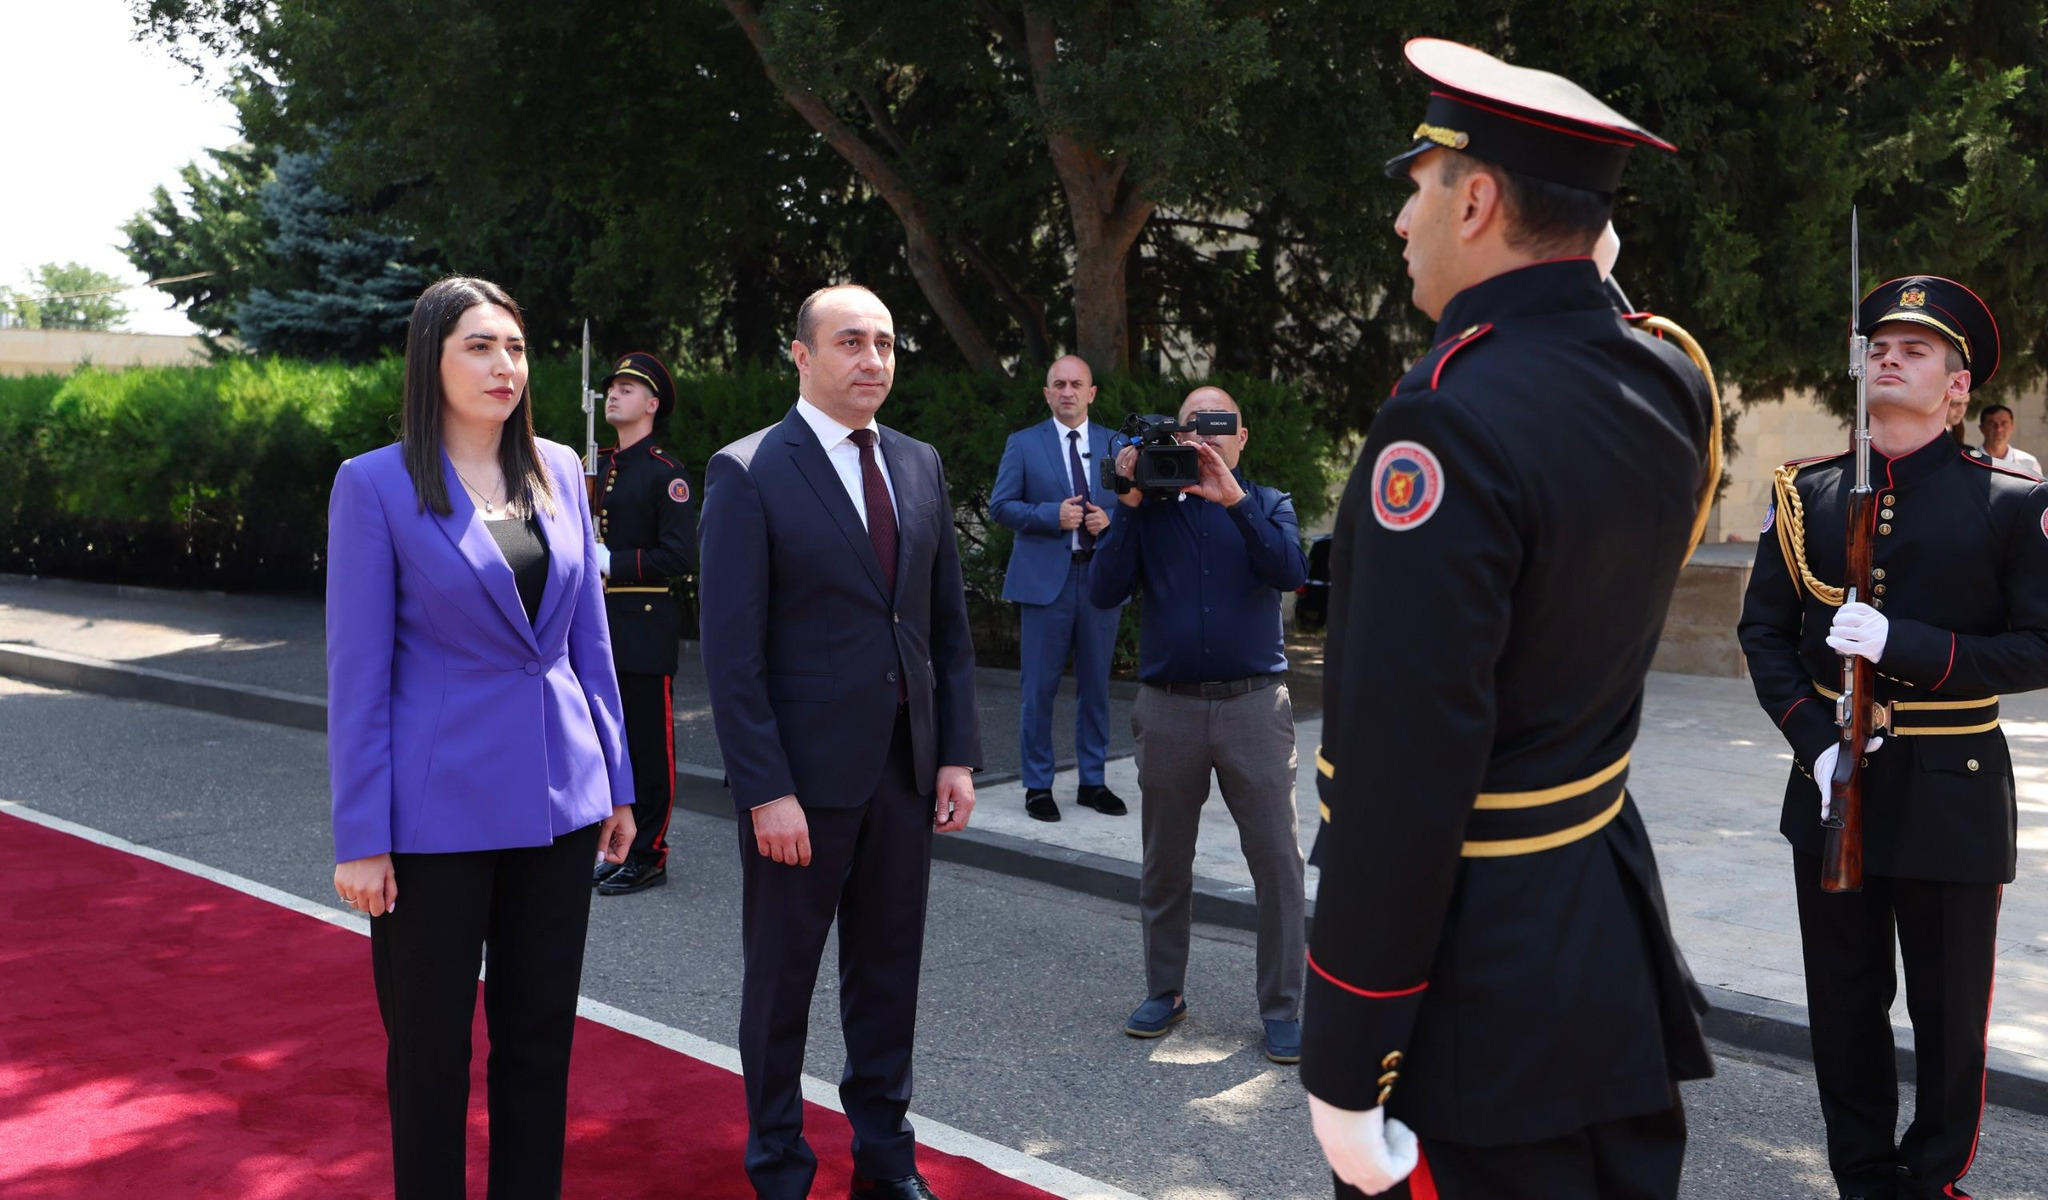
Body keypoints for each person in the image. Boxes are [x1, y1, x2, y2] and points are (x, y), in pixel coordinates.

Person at [1301, 39, 1716, 1199]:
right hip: (1604, 934)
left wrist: (1348, 1056)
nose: (1400, 221)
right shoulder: (1666, 378)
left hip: (1472, 992)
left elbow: (1403, 767)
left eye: (1418, 187)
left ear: (1476, 201)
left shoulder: (1445, 421)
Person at [326, 275, 637, 1197]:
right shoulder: (375, 484)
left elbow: (589, 641)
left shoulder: (560, 469)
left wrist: (618, 782)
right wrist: (361, 837)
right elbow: (357, 675)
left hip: (560, 802)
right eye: (479, 345)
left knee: (540, 1045)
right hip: (435, 817)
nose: (505, 365)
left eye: (515, 346)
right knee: (430, 1058)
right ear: (432, 359)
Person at [1738, 276, 2047, 1200]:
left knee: (1948, 1017)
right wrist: (1815, 743)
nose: (1888, 358)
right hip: (1835, 780)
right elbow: (1764, 634)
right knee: (1843, 1005)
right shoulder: (1808, 493)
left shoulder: (2008, 502)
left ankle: (1932, 1181)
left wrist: (1902, 644)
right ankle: (1863, 1179)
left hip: (1952, 785)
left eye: (1914, 350)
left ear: (1957, 387)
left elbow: (2039, 646)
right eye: (1878, 346)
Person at [698, 283, 981, 1200]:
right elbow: (732, 656)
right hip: (801, 787)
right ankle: (779, 1166)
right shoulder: (748, 471)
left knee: (888, 978)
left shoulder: (918, 463)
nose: (872, 359)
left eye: (886, 343)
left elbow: (944, 628)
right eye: (851, 342)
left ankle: (885, 1162)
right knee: (782, 985)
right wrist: (764, 788)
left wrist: (955, 753)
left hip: (904, 771)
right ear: (802, 355)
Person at [1087, 385, 1309, 1063]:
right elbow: (1103, 590)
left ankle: (1283, 1008)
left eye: (1220, 424)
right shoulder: (1151, 512)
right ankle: (1166, 992)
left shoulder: (1268, 502)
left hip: (1254, 707)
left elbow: (1289, 570)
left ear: (1243, 437)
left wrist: (1232, 499)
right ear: (1174, 436)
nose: (1206, 436)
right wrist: (1128, 502)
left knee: (1277, 863)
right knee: (1165, 862)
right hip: (1170, 707)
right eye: (1193, 426)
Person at [989, 354, 1125, 822]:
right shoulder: (1023, 444)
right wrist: (1052, 515)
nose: (1068, 392)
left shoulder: (1116, 445)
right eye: (1059, 385)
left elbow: (1140, 505)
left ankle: (1093, 782)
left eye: (1076, 384)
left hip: (1100, 579)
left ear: (1091, 393)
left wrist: (1112, 519)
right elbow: (1001, 506)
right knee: (1038, 690)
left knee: (1097, 688)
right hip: (1046, 583)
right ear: (1047, 394)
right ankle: (1038, 786)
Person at [588, 350, 698, 896]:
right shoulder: (597, 466)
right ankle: (615, 846)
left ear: (652, 404)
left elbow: (680, 556)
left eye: (628, 389)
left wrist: (613, 560)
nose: (614, 394)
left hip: (644, 626)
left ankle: (650, 853)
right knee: (605, 743)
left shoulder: (664, 472)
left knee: (648, 748)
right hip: (596, 626)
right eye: (612, 387)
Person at [1977, 402, 2041, 476]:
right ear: (1982, 428)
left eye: (2004, 423)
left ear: (2012, 426)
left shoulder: (2029, 463)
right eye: (1992, 424)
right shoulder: (1969, 461)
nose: (1999, 429)